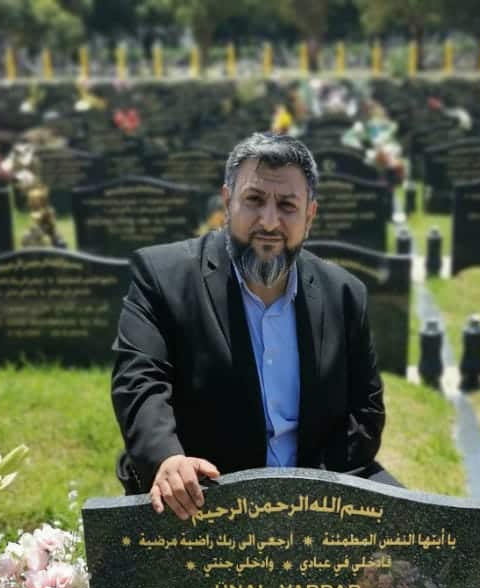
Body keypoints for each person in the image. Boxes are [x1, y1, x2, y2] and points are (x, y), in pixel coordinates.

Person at [110, 132, 387, 520]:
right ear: (227, 202)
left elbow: (366, 410)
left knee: (431, 549)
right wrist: (167, 459)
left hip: (318, 489)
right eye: (254, 200)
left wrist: (310, 493)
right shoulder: (162, 277)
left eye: (287, 205)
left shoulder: (344, 293)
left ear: (310, 215)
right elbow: (139, 382)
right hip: (205, 494)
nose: (269, 222)